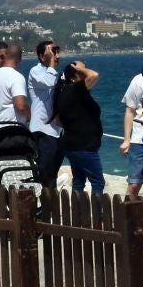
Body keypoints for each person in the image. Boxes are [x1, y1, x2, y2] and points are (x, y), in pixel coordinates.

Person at [0, 41, 33, 184]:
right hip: (12, 132)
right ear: (19, 58)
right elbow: (20, 104)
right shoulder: (16, 76)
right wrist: (29, 115)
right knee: (16, 168)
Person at [54, 59, 105, 193]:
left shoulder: (63, 91)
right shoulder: (75, 89)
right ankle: (97, 212)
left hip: (72, 145)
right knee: (98, 181)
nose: (85, 71)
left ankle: (79, 212)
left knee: (79, 180)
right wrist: (79, 69)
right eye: (83, 70)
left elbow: (58, 121)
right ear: (75, 74)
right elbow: (94, 75)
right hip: (84, 146)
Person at [28, 39, 64, 188]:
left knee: (53, 173)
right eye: (52, 51)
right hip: (43, 131)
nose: (56, 54)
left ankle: (50, 205)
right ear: (43, 56)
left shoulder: (55, 73)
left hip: (57, 131)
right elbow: (49, 82)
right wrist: (50, 64)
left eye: (56, 50)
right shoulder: (36, 71)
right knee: (45, 173)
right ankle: (45, 205)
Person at [120, 52, 143, 200]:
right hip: (139, 139)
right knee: (134, 182)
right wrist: (126, 139)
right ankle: (127, 215)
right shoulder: (138, 80)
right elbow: (130, 110)